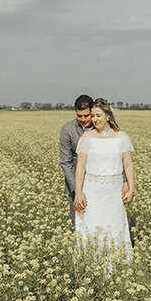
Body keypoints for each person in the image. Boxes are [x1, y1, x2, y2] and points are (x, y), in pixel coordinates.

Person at [73, 98, 134, 263]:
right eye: (92, 116)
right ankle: (92, 266)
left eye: (98, 115)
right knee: (92, 226)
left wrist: (131, 188)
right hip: (92, 190)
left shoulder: (121, 137)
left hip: (114, 192)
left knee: (114, 227)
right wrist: (78, 192)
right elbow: (80, 168)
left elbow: (127, 165)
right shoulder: (86, 138)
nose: (94, 119)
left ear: (108, 116)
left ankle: (117, 267)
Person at [59, 94, 95, 224]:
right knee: (79, 223)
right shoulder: (67, 130)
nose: (83, 119)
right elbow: (66, 162)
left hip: (99, 182)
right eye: (79, 116)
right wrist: (77, 189)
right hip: (76, 183)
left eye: (86, 115)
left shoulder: (101, 127)